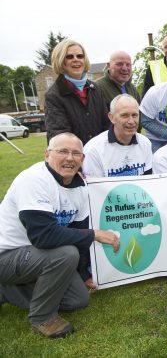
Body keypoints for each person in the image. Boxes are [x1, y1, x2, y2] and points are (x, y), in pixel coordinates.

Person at [0, 133, 120, 338]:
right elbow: (43, 236)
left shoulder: (80, 188)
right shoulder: (33, 180)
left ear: (82, 160)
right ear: (47, 154)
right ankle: (43, 317)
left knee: (77, 300)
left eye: (76, 153)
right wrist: (95, 234)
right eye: (62, 151)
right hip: (7, 255)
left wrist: (84, 275)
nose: (70, 158)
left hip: (34, 257)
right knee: (65, 254)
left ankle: (5, 291)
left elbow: (77, 231)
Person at [45, 39, 110, 145]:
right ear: (61, 61)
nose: (76, 60)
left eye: (80, 56)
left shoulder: (96, 89)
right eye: (69, 57)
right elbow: (59, 134)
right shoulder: (53, 95)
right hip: (73, 157)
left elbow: (107, 125)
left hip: (99, 156)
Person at [82, 94, 152, 178]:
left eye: (134, 115)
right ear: (112, 118)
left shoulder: (145, 143)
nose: (131, 121)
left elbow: (148, 180)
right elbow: (94, 188)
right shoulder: (93, 150)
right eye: (124, 115)